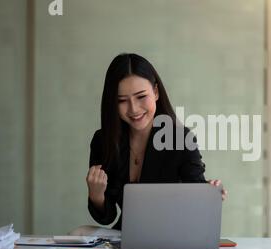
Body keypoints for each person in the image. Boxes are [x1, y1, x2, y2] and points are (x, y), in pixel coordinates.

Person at [85, 53, 227, 230]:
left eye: (141, 97)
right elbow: (107, 217)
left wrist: (210, 191)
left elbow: (196, 192)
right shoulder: (103, 141)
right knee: (80, 232)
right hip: (128, 235)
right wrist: (96, 195)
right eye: (122, 101)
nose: (134, 109)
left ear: (156, 92)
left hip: (171, 235)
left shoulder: (180, 138)